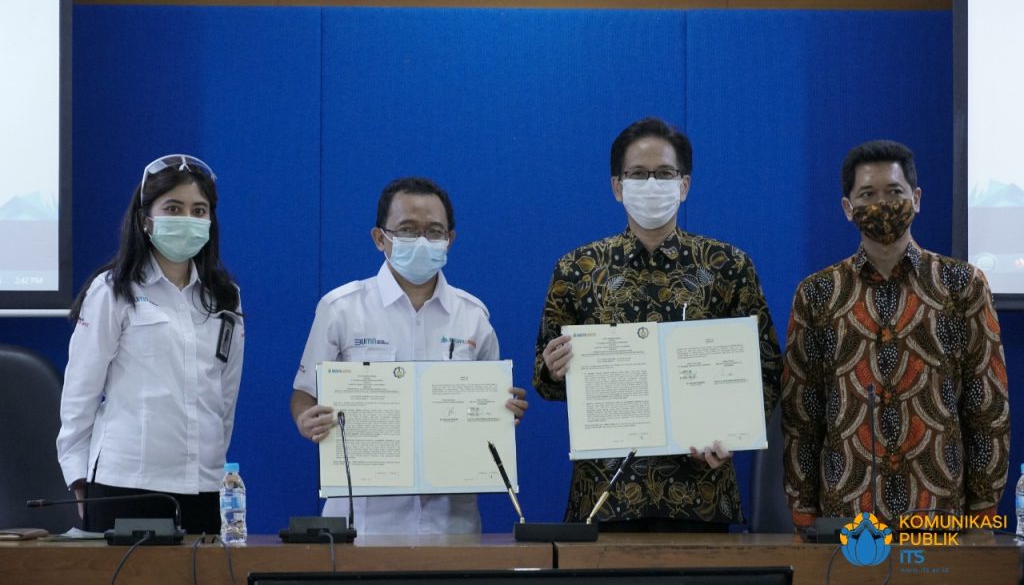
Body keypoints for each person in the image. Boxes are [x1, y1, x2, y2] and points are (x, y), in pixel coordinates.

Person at [534, 117, 782, 531]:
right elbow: (545, 381)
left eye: (665, 173)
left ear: (684, 185)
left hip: (701, 493)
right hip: (605, 496)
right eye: (638, 174)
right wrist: (554, 368)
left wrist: (734, 433)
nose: (652, 184)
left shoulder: (728, 266)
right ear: (617, 186)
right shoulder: (577, 269)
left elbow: (768, 369)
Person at [781, 140, 1010, 530]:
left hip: (938, 511)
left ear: (916, 199)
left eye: (894, 192)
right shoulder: (818, 294)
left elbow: (987, 405)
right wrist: (803, 510)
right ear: (848, 207)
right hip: (846, 513)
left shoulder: (962, 286)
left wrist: (984, 510)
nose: (882, 204)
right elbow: (801, 411)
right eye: (867, 195)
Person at [290, 176, 528, 535]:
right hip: (363, 522)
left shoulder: (473, 316)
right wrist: (305, 419)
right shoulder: (341, 308)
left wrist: (503, 411)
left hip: (451, 524)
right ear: (379, 238)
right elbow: (304, 394)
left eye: (434, 231)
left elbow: (491, 406)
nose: (421, 241)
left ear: (450, 240)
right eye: (407, 230)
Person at [57, 154, 244, 534]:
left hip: (204, 484)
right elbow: (80, 391)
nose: (187, 219)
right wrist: (77, 474)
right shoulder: (113, 291)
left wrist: (212, 460)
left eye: (198, 210)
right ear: (146, 220)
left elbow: (225, 395)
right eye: (173, 208)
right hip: (126, 481)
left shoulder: (225, 297)